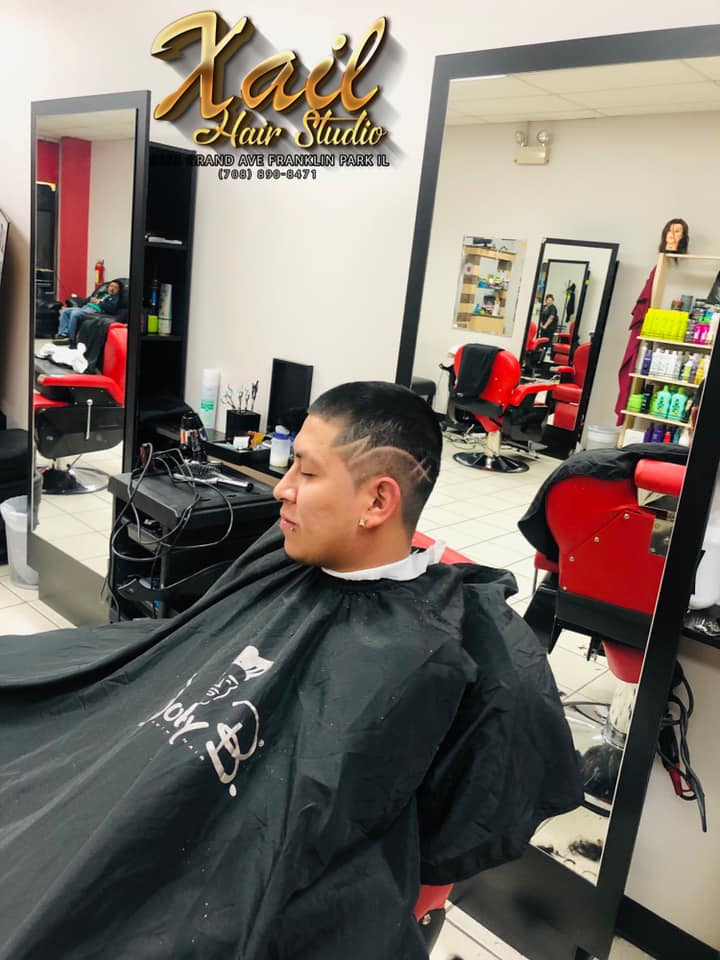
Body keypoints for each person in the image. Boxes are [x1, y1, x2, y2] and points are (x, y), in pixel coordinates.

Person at [0, 381, 582, 960]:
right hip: (133, 774)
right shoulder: (286, 552)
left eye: (306, 470)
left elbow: (443, 830)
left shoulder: (454, 645)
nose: (282, 488)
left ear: (378, 502)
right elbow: (192, 639)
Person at [615, 218, 689, 422]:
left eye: (678, 231)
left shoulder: (676, 267)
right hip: (646, 330)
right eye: (670, 231)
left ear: (684, 237)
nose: (672, 235)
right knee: (632, 371)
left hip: (664, 331)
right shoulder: (658, 267)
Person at [53, 279, 122, 344]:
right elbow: (87, 299)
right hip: (86, 307)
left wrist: (98, 302)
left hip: (94, 309)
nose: (112, 288)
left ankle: (71, 338)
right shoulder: (102, 294)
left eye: (115, 287)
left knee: (75, 313)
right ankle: (63, 334)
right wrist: (90, 299)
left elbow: (111, 308)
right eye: (111, 286)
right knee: (65, 311)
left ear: (118, 290)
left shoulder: (115, 298)